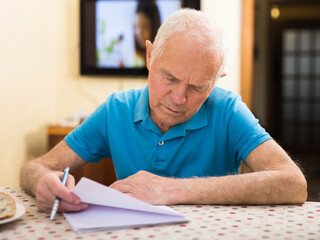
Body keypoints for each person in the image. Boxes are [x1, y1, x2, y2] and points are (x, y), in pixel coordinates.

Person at [20, 9, 307, 213]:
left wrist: (172, 190)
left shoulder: (228, 110)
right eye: (169, 78)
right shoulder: (116, 110)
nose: (179, 98)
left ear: (216, 82)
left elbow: (293, 183)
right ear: (149, 56)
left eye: (197, 88)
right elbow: (34, 167)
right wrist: (42, 183)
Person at [133, 0, 160, 67]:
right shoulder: (134, 58)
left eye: (145, 26)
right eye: (136, 26)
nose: (139, 33)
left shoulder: (161, 60)